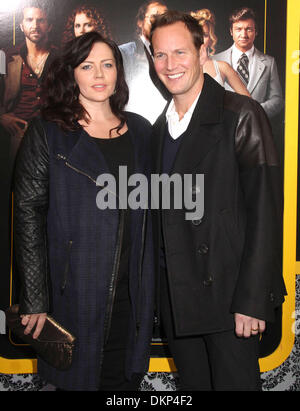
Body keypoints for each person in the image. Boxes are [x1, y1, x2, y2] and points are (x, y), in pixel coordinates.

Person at [149, 10, 286, 391]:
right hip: (179, 301)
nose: (170, 64)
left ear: (203, 50)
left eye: (180, 52)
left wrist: (253, 300)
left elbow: (266, 213)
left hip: (230, 302)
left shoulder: (241, 114)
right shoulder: (159, 131)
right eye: (160, 55)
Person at [13, 31, 154, 391]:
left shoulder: (140, 131)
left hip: (132, 290)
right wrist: (34, 298)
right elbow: (28, 214)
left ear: (119, 73)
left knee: (124, 383)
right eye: (87, 65)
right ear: (71, 73)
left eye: (108, 64)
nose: (99, 74)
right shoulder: (47, 131)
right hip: (73, 288)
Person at [0, 0, 57, 163]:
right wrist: (1, 116)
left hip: (51, 135)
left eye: (41, 20)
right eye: (29, 20)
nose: (35, 25)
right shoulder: (6, 56)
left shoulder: (60, 58)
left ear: (49, 26)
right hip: (16, 135)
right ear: (21, 25)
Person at [213, 7, 283, 119]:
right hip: (224, 130)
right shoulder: (215, 60)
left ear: (256, 31)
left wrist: (255, 111)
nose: (243, 34)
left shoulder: (269, 63)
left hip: (256, 127)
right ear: (231, 31)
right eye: (238, 29)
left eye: (249, 29)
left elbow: (277, 100)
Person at [119, 1, 169, 124]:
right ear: (140, 22)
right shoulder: (123, 52)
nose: (160, 22)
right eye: (155, 17)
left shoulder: (173, 54)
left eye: (166, 18)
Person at [190, 9, 250, 97]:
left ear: (211, 39)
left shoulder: (222, 67)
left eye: (205, 35)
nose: (200, 39)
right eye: (196, 34)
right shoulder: (179, 66)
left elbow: (249, 102)